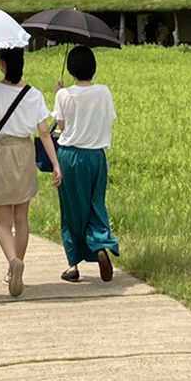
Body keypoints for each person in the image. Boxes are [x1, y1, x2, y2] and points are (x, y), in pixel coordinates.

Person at [0, 45, 61, 299]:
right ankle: (17, 264)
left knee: (2, 222)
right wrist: (55, 164)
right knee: (21, 218)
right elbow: (44, 132)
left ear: (1, 64)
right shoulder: (33, 94)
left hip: (1, 151)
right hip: (25, 152)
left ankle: (13, 262)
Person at [51, 45, 120, 282]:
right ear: (93, 68)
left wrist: (59, 93)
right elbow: (108, 119)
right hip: (97, 157)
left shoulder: (64, 95)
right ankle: (100, 244)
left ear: (71, 69)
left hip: (70, 156)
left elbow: (62, 127)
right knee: (95, 205)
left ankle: (73, 266)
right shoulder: (104, 92)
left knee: (71, 211)